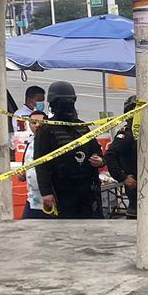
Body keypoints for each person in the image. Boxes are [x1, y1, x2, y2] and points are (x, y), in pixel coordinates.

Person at [32, 81, 102, 218]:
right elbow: (40, 162)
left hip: (87, 189)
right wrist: (46, 192)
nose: (67, 105)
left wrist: (100, 160)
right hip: (62, 190)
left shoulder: (82, 126)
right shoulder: (46, 129)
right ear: (53, 104)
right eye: (63, 102)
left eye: (69, 102)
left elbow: (96, 150)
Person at [20, 110, 49, 219]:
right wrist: (23, 173)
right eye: (33, 123)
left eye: (40, 122)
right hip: (32, 199)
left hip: (49, 199)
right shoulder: (30, 142)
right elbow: (27, 163)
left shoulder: (51, 142)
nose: (37, 125)